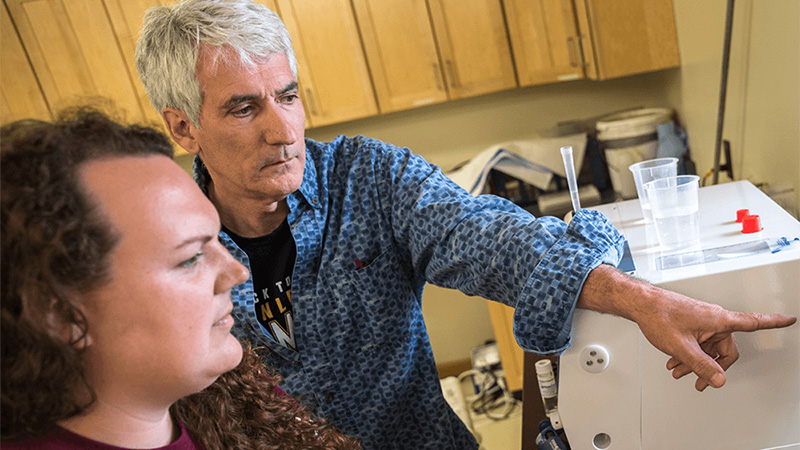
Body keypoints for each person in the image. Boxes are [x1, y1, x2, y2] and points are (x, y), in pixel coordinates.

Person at [135, 1, 796, 448]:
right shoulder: (161, 242)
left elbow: (487, 238)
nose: (285, 131)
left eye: (288, 96)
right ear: (183, 126)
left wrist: (642, 300)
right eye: (245, 108)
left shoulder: (370, 177)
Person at [0, 108, 360, 450]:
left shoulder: (231, 397)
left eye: (216, 241)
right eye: (190, 258)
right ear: (60, 315)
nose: (237, 272)